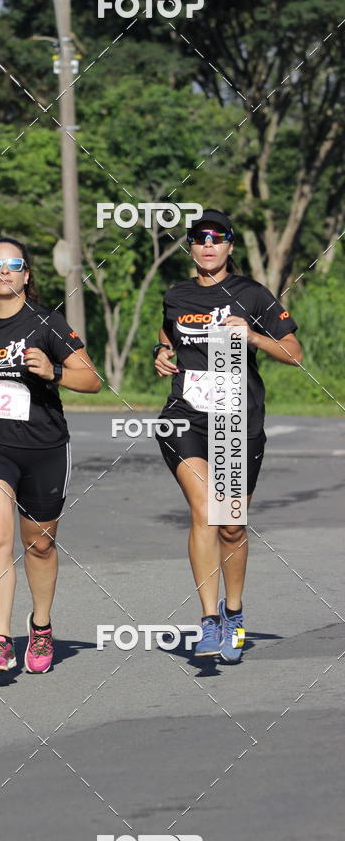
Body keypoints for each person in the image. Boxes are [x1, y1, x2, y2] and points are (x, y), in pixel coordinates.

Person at [0, 237, 101, 675]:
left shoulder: (46, 323)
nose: (5, 270)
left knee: (40, 543)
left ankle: (41, 625)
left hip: (45, 446)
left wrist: (54, 372)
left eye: (14, 264)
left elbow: (91, 379)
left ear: (27, 274)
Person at [154, 209, 301, 662]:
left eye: (218, 238)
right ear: (192, 246)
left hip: (239, 421)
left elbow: (293, 353)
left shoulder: (252, 294)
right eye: (200, 238)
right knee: (206, 511)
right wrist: (161, 351)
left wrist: (254, 338)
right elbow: (168, 331)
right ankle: (208, 621)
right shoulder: (176, 295)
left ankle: (233, 612)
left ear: (230, 247)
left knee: (232, 527)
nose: (208, 245)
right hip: (186, 417)